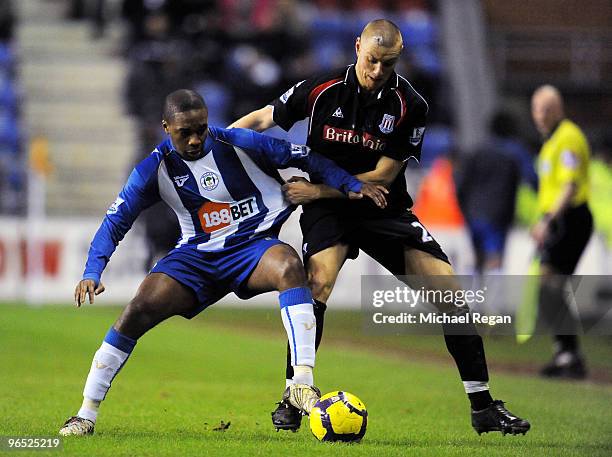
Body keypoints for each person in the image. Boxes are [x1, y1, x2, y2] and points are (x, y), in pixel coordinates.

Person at [231, 19, 530, 435]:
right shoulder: (319, 89)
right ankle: (295, 394)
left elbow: (381, 178)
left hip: (378, 207)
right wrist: (218, 142)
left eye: (387, 65)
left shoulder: (411, 105)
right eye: (371, 60)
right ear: (357, 47)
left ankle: (483, 407)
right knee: (317, 285)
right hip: (332, 214)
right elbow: (265, 118)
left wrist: (317, 192)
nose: (376, 72)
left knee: (452, 297)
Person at [58, 89, 387, 436]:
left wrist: (351, 184)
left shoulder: (239, 142)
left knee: (290, 268)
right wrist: (92, 271)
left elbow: (308, 158)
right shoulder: (153, 169)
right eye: (185, 132)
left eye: (201, 127)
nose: (196, 138)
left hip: (252, 248)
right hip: (196, 258)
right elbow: (115, 221)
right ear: (166, 127)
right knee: (137, 309)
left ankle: (301, 383)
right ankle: (85, 414)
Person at [530, 85, 593, 379]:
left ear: (558, 109)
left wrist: (548, 220)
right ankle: (566, 354)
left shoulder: (567, 137)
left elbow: (569, 186)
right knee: (549, 289)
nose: (539, 115)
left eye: (545, 109)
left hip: (571, 218)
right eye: (536, 109)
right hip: (559, 220)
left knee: (550, 287)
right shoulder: (552, 140)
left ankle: (570, 355)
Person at [456, 111, 522, 275]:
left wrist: (465, 211)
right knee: (495, 259)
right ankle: (493, 299)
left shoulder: (476, 152)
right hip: (497, 217)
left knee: (476, 258)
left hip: (473, 214)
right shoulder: (511, 157)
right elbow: (513, 189)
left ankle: (473, 297)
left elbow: (461, 185)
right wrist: (510, 217)